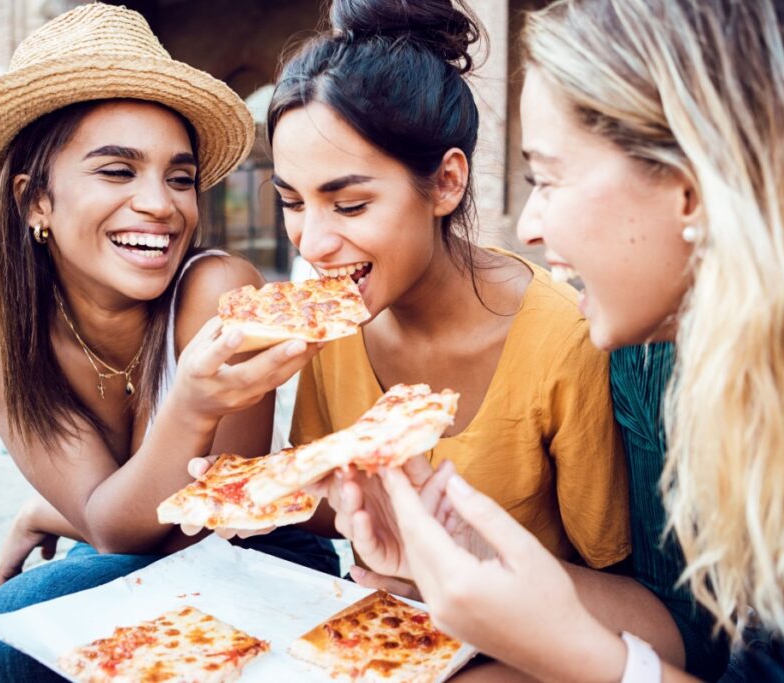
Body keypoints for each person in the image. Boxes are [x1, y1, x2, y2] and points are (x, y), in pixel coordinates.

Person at [353, 0, 784, 680]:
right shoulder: (653, 351)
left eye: (548, 178)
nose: (526, 225)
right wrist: (468, 551)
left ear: (690, 189)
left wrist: (574, 653)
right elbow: (703, 630)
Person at [0, 5, 334, 680]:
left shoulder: (220, 293)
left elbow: (188, 530)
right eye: (118, 171)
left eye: (180, 178)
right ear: (37, 200)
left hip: (254, 554)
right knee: (16, 634)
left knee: (10, 631)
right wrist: (80, 510)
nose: (160, 204)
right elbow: (114, 528)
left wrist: (183, 411)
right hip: (128, 551)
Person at [263, 0, 631, 580]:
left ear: (447, 183)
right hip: (369, 643)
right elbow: (330, 504)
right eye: (291, 202)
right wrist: (252, 486)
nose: (312, 243)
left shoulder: (564, 337)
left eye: (350, 205)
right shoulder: (334, 321)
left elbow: (614, 576)